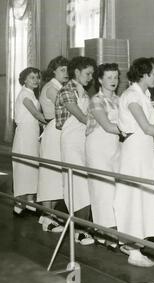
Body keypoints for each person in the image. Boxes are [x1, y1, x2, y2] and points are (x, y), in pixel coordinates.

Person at [114, 58, 154, 267]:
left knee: (143, 198)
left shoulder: (143, 94)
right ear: (144, 75)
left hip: (143, 152)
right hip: (134, 156)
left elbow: (142, 133)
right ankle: (133, 249)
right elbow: (147, 128)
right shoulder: (131, 96)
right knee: (133, 200)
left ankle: (136, 245)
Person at [55, 56, 97, 245]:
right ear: (77, 72)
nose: (90, 78)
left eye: (92, 74)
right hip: (72, 140)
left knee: (83, 185)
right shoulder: (66, 91)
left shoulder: (84, 92)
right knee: (77, 185)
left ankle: (76, 226)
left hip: (83, 139)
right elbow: (81, 117)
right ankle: (79, 230)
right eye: (87, 74)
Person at [85, 63, 121, 247]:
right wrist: (132, 131)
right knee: (101, 190)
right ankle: (103, 231)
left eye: (115, 77)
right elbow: (107, 126)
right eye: (109, 77)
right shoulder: (96, 100)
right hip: (98, 145)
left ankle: (110, 229)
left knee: (113, 190)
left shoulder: (119, 99)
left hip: (114, 146)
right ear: (100, 79)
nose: (113, 81)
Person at [37, 56, 69, 232]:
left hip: (61, 131)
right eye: (62, 70)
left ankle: (48, 215)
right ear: (53, 71)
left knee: (58, 176)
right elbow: (67, 105)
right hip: (53, 131)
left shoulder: (60, 87)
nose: (66, 73)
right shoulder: (51, 88)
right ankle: (47, 218)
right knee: (50, 175)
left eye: (67, 69)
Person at [12, 67, 46, 215]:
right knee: (23, 169)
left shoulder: (32, 94)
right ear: (24, 79)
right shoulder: (25, 95)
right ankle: (19, 205)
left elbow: (36, 118)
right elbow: (36, 113)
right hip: (24, 137)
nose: (36, 80)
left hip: (32, 136)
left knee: (32, 168)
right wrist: (50, 121)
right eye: (32, 77)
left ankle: (30, 202)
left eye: (37, 77)